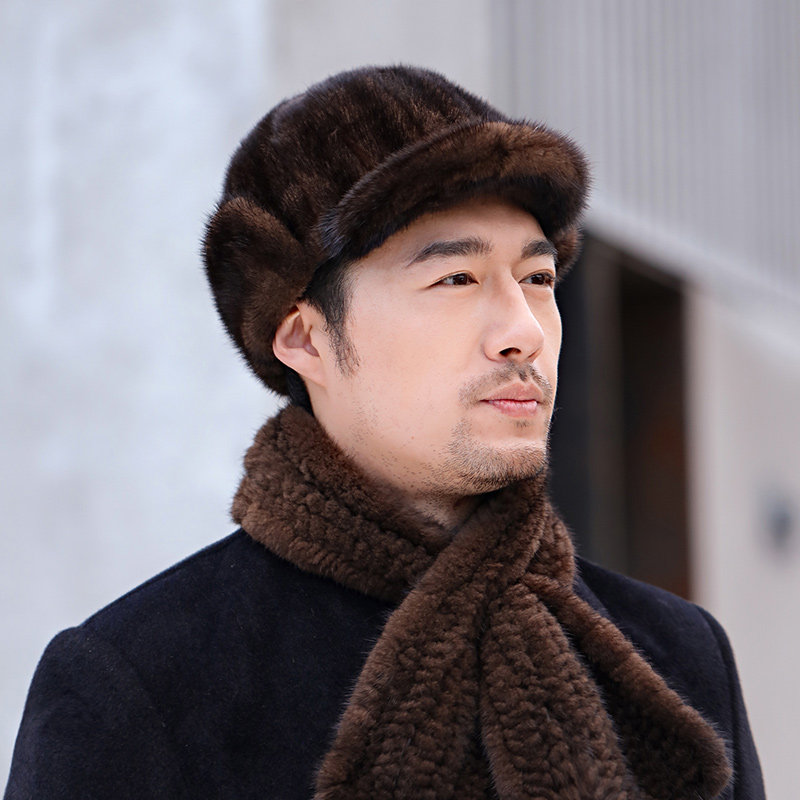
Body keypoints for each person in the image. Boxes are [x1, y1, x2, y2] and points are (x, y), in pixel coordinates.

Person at [4, 66, 764, 800]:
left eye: (537, 279)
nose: (524, 331)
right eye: (456, 279)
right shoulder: (141, 687)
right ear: (304, 339)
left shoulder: (680, 660)